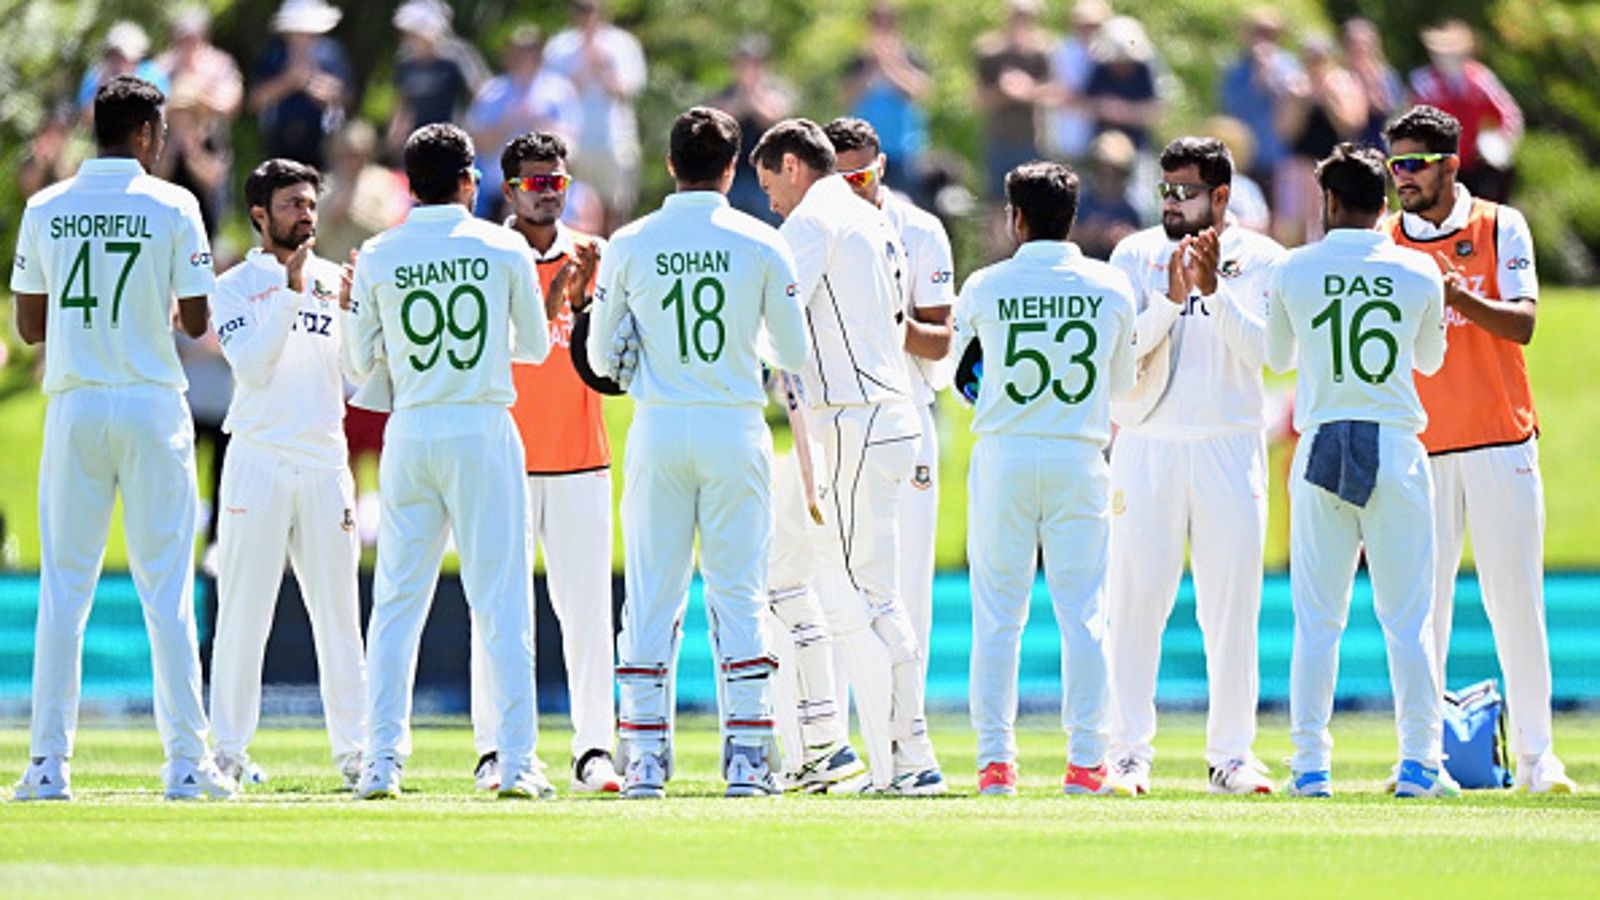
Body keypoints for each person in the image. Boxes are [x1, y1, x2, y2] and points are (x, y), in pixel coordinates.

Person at [10, 76, 235, 801]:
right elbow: (199, 323)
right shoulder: (173, 204)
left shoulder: (47, 206)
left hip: (75, 404)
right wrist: (157, 307)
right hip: (148, 402)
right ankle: (187, 765)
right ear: (143, 133)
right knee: (164, 590)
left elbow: (30, 326)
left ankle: (47, 765)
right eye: (160, 129)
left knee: (64, 593)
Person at [586, 106, 809, 798]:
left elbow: (600, 359)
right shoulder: (763, 241)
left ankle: (646, 757)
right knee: (739, 593)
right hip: (733, 424)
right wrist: (752, 350)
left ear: (669, 164)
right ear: (734, 167)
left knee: (651, 595)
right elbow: (795, 354)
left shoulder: (629, 240)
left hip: (659, 424)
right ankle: (746, 756)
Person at [345, 123, 552, 800]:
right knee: (501, 602)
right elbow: (534, 349)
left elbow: (356, 363)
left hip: (411, 427)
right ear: (469, 181)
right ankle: (517, 763)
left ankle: (381, 761)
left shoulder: (378, 251)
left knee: (397, 603)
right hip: (482, 424)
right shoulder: (503, 247)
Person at [1384, 105, 1576, 794]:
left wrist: (1458, 297)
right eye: (1393, 164)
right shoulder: (1382, 238)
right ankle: (1421, 757)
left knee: (1516, 601)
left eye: (1414, 164)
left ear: (1449, 165)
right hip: (1421, 448)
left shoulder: (1499, 224)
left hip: (1502, 440)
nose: (1401, 178)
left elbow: (1522, 323)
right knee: (1421, 611)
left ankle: (1537, 759)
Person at [752, 118, 944, 794]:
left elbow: (771, 322)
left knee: (868, 593)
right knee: (780, 576)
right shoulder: (873, 217)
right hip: (867, 418)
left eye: (770, 182)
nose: (770, 199)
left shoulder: (813, 220)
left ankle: (913, 756)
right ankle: (824, 744)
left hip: (857, 422)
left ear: (794, 167)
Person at [1265, 142, 1451, 799]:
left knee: (1318, 618)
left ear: (1331, 203)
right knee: (1408, 618)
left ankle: (1311, 766)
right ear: (1384, 204)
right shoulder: (1419, 270)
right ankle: (1421, 764)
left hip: (1322, 440)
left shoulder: (1293, 268)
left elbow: (1279, 358)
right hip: (1395, 441)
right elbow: (1429, 362)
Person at [1104, 137, 1287, 796]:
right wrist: (1171, 299)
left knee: (1231, 607)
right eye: (1166, 191)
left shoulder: (1264, 258)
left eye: (1185, 192)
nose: (1173, 204)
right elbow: (1118, 356)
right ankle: (1126, 754)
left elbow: (1275, 354)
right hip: (1147, 441)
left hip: (1230, 443)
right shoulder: (1133, 254)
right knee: (1134, 603)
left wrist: (1215, 291)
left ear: (1220, 196)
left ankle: (1231, 755)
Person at [958, 160, 1137, 797]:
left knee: (999, 615)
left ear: (1017, 218)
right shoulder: (1110, 286)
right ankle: (1087, 760)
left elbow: (962, 380)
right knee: (1084, 614)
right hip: (1079, 454)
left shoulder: (985, 285)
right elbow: (1121, 386)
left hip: (1005, 453)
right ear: (1073, 217)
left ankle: (995, 761)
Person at [467, 131, 623, 796]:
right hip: (502, 459)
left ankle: (594, 750)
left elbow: (616, 362)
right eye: (536, 183)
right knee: (498, 612)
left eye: (557, 182)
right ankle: (493, 750)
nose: (549, 193)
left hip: (581, 459)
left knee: (587, 615)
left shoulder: (598, 255)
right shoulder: (484, 257)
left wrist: (587, 304)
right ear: (510, 190)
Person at [206, 159, 367, 790]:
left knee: (339, 615)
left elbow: (358, 371)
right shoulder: (234, 286)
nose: (305, 214)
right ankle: (227, 754)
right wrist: (292, 290)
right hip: (258, 460)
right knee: (245, 611)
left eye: (309, 203)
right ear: (259, 215)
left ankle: (357, 753)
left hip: (324, 461)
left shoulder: (336, 280)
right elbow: (252, 366)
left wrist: (357, 313)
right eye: (292, 204)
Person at [823, 115, 954, 701]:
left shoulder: (919, 229)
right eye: (842, 175)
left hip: (903, 408)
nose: (855, 185)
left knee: (906, 580)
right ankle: (836, 731)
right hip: (836, 417)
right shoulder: (814, 228)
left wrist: (885, 319)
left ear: (883, 166)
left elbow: (941, 339)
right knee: (833, 575)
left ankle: (906, 724)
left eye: (864, 173)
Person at [543, 0, 648, 233]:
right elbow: (549, 95)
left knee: (616, 209)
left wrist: (601, 66)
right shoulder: (558, 47)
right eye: (581, 9)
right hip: (571, 142)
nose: (586, 15)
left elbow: (627, 89)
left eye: (591, 9)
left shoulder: (622, 44)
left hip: (612, 141)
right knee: (571, 209)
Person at [465, 25, 582, 221]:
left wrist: (539, 126)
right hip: (499, 191)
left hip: (544, 190)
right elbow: (477, 143)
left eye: (531, 52)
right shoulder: (492, 92)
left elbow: (571, 142)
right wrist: (508, 122)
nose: (525, 58)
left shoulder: (559, 91)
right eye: (519, 52)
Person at [1407, 20, 1523, 203]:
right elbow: (1411, 123)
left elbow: (1509, 114)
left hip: (1476, 163)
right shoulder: (1425, 83)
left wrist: (1501, 142)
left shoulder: (1480, 79)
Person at [1274, 35, 1367, 247]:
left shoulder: (1343, 83)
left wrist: (1329, 99)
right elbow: (1286, 131)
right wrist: (1302, 102)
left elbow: (1352, 123)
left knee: (1331, 223)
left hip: (1335, 163)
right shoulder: (1294, 85)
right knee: (1294, 225)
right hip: (1301, 163)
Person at [842, 3, 934, 199]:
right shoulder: (859, 61)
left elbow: (921, 92)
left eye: (888, 23)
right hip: (865, 151)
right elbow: (846, 97)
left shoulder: (910, 58)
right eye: (877, 23)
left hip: (904, 150)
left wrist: (890, 65)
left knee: (906, 204)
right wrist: (870, 67)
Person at [249, 0, 352, 170]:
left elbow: (345, 98)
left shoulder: (331, 54)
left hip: (323, 145)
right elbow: (255, 101)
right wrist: (290, 81)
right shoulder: (272, 56)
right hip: (279, 142)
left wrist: (322, 91)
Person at [386, 0, 488, 157]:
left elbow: (482, 93)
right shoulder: (405, 63)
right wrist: (395, 132)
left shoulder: (456, 57)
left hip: (452, 141)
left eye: (413, 34)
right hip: (418, 143)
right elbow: (403, 102)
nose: (407, 39)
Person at [974, 0, 1053, 202]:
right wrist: (1003, 91)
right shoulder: (990, 53)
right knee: (996, 201)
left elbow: (1054, 92)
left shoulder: (1042, 53)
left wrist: (1026, 89)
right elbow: (979, 98)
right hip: (999, 138)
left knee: (1033, 201)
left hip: (1031, 139)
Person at [1219, 8, 1301, 201]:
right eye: (1257, 32)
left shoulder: (1289, 65)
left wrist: (1269, 77)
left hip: (1279, 156)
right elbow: (1229, 106)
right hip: (1243, 156)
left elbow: (1294, 105)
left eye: (1270, 34)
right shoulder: (1236, 68)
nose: (1263, 39)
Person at [713, 34, 795, 224]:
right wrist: (742, 99)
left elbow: (776, 117)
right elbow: (719, 120)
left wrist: (753, 100)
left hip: (768, 178)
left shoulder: (775, 90)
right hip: (735, 176)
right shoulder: (727, 93)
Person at [1045, 0, 1112, 162]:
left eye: (1094, 25)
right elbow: (1057, 91)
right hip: (1069, 138)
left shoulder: (1111, 52)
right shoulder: (1062, 52)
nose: (1088, 30)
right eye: (1083, 24)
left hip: (1106, 140)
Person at [1069, 128, 1143, 260]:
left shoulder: (1132, 210)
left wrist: (1128, 241)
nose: (1108, 178)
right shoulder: (1078, 203)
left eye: (1115, 172)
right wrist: (1083, 235)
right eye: (1101, 171)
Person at [76, 22, 171, 121]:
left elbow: (159, 115)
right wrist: (102, 88)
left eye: (122, 57)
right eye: (113, 55)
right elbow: (87, 118)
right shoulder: (95, 75)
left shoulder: (152, 75)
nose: (118, 62)